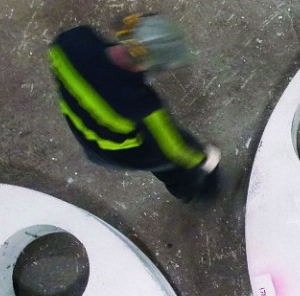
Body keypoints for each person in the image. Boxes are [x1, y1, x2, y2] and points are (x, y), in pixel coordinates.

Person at [48, 14, 220, 202]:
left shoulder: (73, 42)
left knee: (157, 155)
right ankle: (192, 190)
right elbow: (174, 148)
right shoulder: (138, 103)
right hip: (121, 151)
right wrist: (202, 159)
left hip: (84, 131)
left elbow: (58, 56)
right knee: (167, 160)